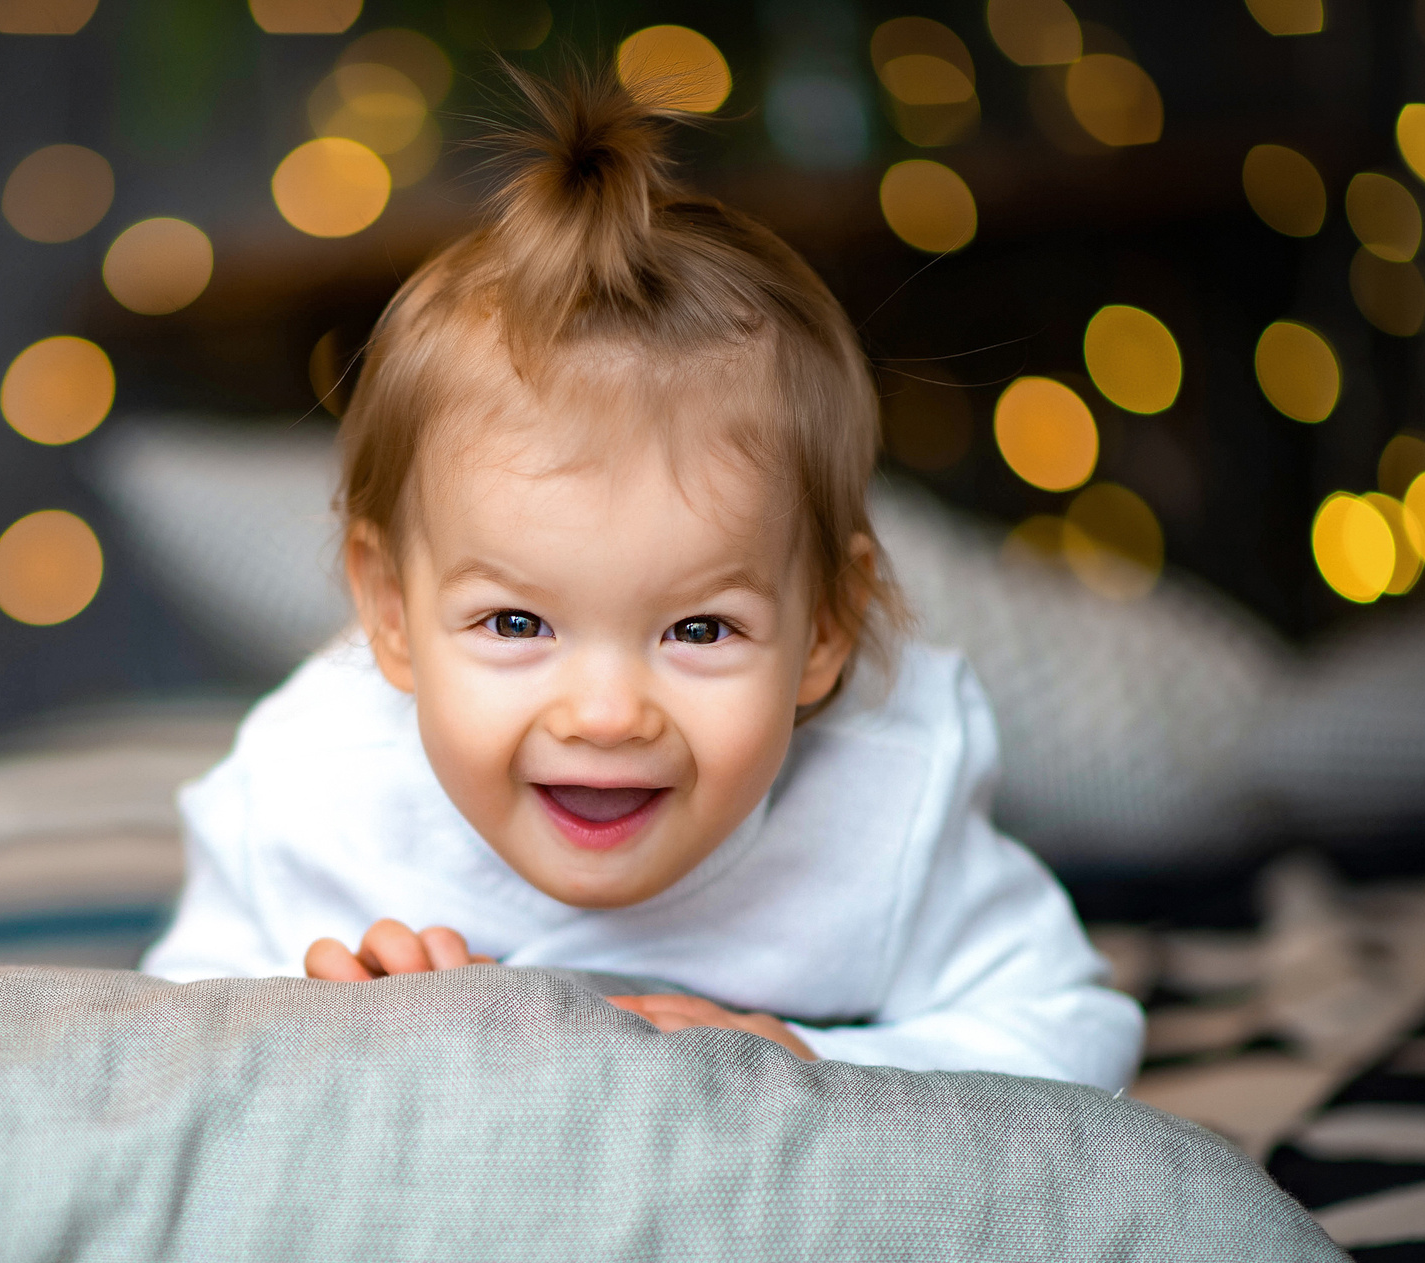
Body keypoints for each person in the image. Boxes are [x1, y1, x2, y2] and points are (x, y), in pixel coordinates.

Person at [140, 70, 1143, 1090]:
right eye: (518, 621)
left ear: (826, 628)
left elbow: (1072, 1029)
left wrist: (820, 1061)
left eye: (700, 630)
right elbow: (176, 1048)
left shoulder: (882, 799)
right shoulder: (314, 791)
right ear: (391, 612)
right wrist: (322, 1030)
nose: (608, 713)